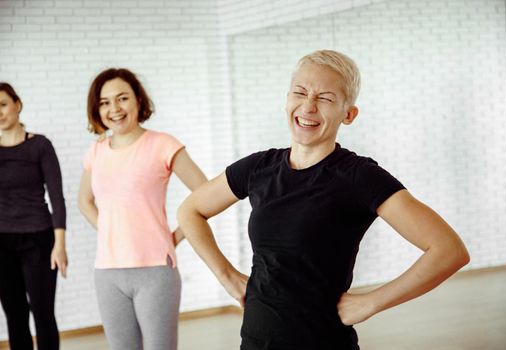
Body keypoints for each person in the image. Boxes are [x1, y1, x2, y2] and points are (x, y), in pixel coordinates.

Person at [177, 50, 470, 349]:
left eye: (325, 98)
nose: (308, 106)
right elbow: (190, 210)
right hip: (255, 340)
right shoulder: (258, 168)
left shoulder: (359, 176)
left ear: (348, 114)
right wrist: (226, 276)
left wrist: (371, 303)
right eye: (300, 92)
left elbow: (449, 250)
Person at [77, 68, 207, 350]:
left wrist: (176, 236)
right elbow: (84, 201)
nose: (114, 108)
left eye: (122, 98)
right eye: (105, 102)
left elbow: (206, 194)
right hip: (107, 273)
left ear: (138, 99)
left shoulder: (163, 144)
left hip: (155, 271)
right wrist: (110, 229)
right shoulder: (96, 151)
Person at [0, 82, 68, 350]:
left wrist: (59, 244)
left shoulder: (40, 145)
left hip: (39, 239)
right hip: (1, 242)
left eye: (3, 105)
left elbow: (57, 196)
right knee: (15, 316)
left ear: (17, 105)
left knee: (42, 313)